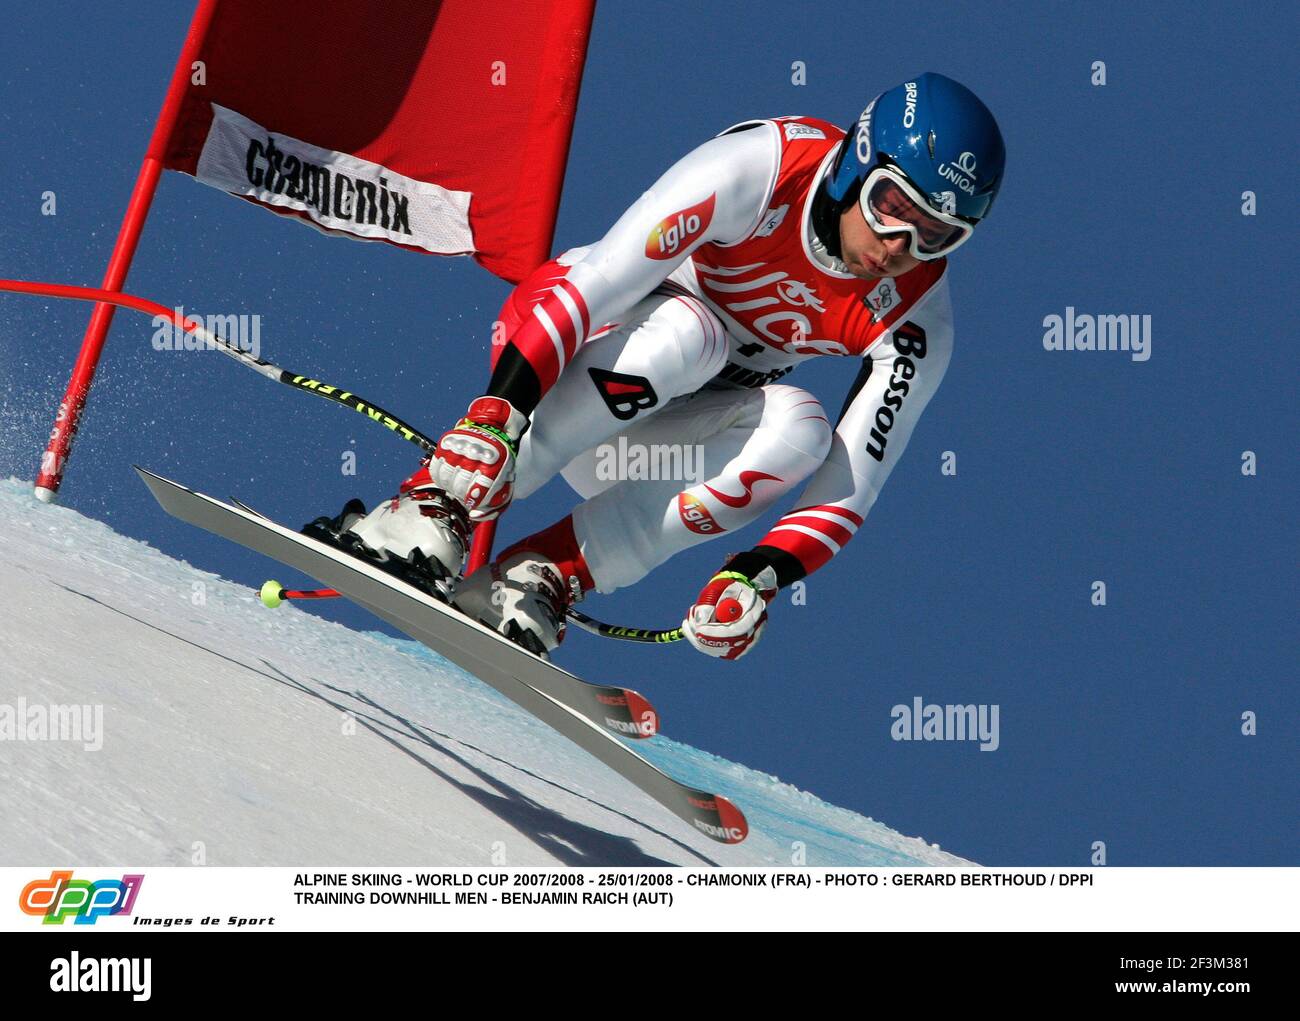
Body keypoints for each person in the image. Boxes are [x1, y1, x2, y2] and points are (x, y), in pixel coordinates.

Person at [336, 72, 1006, 660]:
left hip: (636, 442)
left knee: (802, 428)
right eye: (893, 207)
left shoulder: (916, 318)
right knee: (693, 332)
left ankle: (544, 572)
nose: (900, 245)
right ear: (856, 163)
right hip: (557, 352)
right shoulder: (766, 166)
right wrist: (500, 410)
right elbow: (596, 283)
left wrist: (755, 576)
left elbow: (854, 480)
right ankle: (433, 502)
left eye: (937, 235)